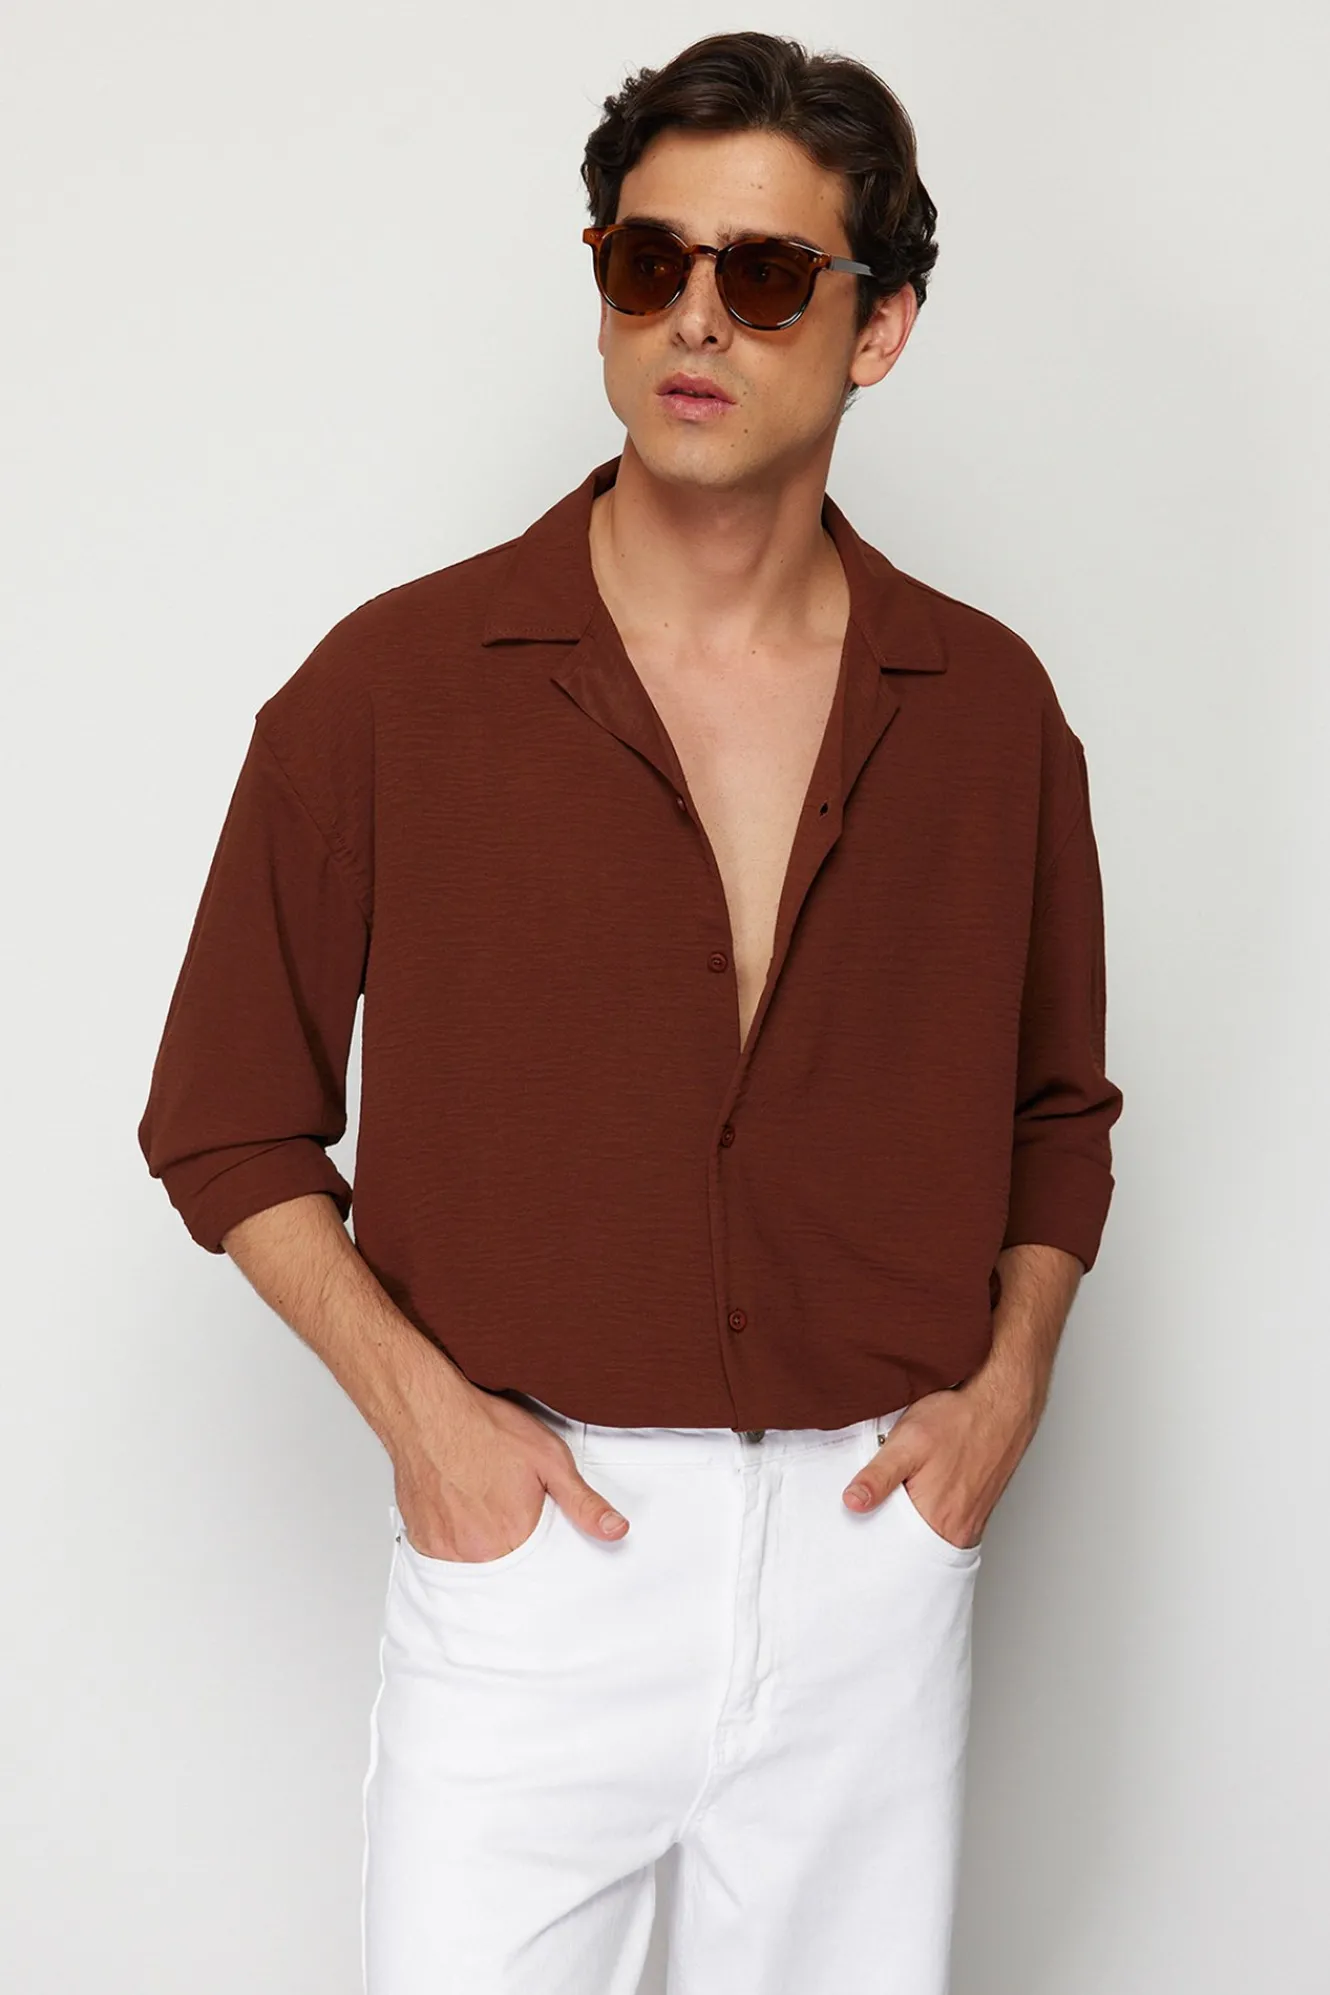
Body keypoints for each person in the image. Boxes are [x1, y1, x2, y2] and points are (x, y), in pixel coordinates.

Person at [137, 29, 1123, 1995]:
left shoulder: (988, 710)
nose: (694, 319)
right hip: (540, 1555)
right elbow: (225, 1116)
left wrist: (1003, 1391)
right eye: (646, 261)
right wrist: (428, 1425)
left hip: (872, 1557)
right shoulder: (394, 685)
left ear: (877, 325)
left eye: (764, 274)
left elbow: (1054, 1112)